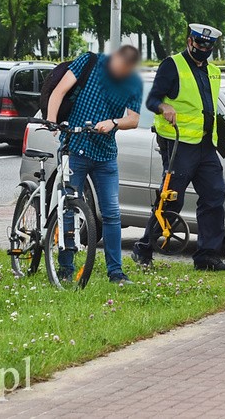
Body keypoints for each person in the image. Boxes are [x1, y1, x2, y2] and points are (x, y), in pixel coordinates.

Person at [132, 24, 225, 271]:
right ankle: (144, 248)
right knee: (171, 200)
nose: (204, 49)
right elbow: (152, 100)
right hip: (178, 146)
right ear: (189, 41)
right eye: (200, 44)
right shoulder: (172, 65)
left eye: (208, 46)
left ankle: (207, 257)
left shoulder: (213, 72)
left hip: (205, 146)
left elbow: (208, 110)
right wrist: (164, 108)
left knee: (214, 195)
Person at [47, 45, 142, 284]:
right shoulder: (89, 62)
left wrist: (113, 122)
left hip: (105, 155)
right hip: (75, 146)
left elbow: (133, 119)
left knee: (111, 213)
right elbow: (59, 91)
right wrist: (51, 122)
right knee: (67, 208)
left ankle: (116, 272)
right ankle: (66, 269)